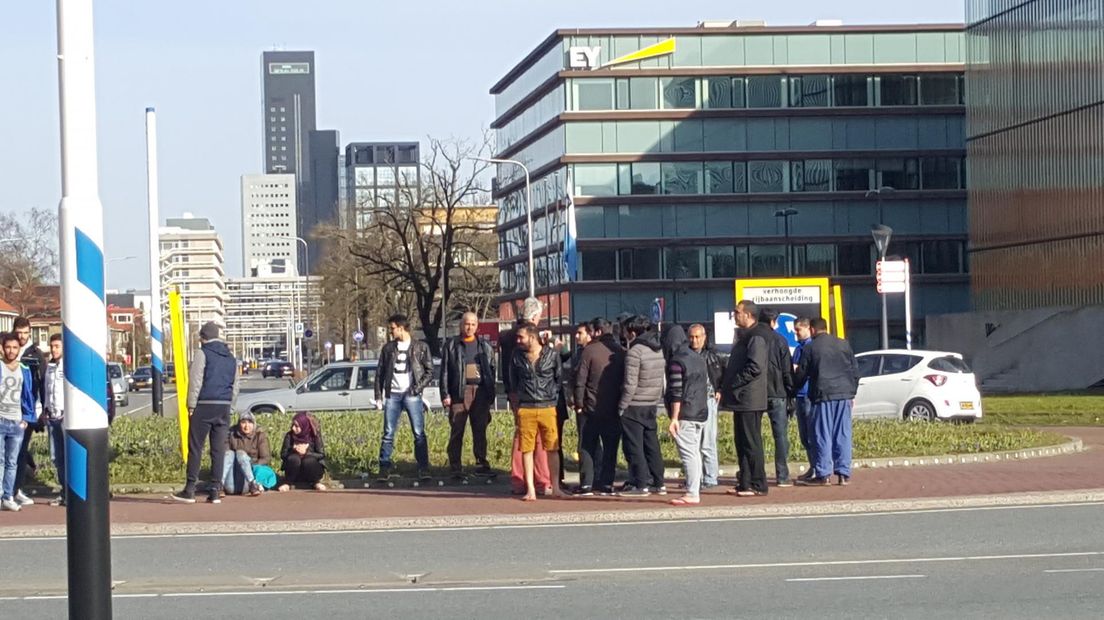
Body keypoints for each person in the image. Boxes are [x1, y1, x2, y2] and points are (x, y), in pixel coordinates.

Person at [172, 321, 240, 504]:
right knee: (218, 450)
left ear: (203, 337)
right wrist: (230, 406)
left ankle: (189, 489)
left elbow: (196, 381)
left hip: (204, 404)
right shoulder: (231, 357)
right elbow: (236, 385)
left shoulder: (202, 353)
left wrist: (191, 405)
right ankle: (215, 490)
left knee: (196, 447)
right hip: (223, 406)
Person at [793, 317, 859, 486]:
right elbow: (855, 371)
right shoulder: (844, 344)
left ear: (813, 330)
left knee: (822, 435)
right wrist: (851, 393)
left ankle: (823, 474)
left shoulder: (810, 348)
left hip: (823, 395)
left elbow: (801, 374)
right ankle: (844, 474)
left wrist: (792, 388)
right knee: (842, 434)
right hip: (844, 395)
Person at [500, 298, 551, 495]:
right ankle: (541, 479)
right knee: (538, 436)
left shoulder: (508, 336)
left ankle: (519, 479)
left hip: (514, 390)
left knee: (521, 435)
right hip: (533, 391)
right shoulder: (532, 336)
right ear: (535, 316)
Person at [720, 300, 771, 497]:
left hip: (750, 398)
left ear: (748, 315)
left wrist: (735, 382)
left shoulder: (756, 337)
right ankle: (745, 482)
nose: (734, 315)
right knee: (741, 442)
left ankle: (758, 483)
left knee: (751, 442)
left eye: (737, 312)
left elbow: (755, 367)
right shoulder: (745, 336)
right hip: (741, 399)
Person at [508, 324, 564, 501]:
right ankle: (530, 489)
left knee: (552, 448)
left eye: (521, 337)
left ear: (532, 337)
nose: (518, 341)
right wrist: (517, 405)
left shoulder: (552, 354)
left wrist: (552, 398)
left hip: (547, 406)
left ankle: (555, 486)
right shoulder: (517, 356)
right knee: (526, 449)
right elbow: (512, 381)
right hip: (526, 407)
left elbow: (558, 378)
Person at [374, 314, 433, 479]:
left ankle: (423, 467)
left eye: (392, 328)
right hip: (392, 395)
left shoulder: (420, 347)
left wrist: (416, 388)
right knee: (388, 432)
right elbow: (380, 373)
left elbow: (429, 371)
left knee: (419, 432)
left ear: (401, 328)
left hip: (412, 395)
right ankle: (384, 467)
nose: (391, 332)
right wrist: (379, 396)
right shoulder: (388, 349)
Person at [440, 312, 496, 477]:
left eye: (473, 324)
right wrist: (445, 394)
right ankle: (455, 466)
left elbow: (492, 369)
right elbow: (444, 372)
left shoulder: (484, 346)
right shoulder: (451, 345)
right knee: (457, 429)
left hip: (480, 392)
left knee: (480, 429)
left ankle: (481, 463)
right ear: (461, 325)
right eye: (466, 324)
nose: (469, 327)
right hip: (459, 392)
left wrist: (490, 392)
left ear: (477, 326)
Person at [573, 317, 624, 496]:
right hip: (614, 408)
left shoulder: (589, 351)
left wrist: (579, 404)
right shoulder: (621, 351)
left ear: (597, 332)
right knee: (611, 448)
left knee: (587, 445)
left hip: (591, 408)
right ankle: (606, 483)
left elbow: (580, 380)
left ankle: (587, 483)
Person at [616, 316, 666, 497]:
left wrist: (622, 406)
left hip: (634, 404)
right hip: (651, 403)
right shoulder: (658, 349)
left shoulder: (635, 351)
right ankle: (659, 482)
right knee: (652, 444)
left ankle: (641, 483)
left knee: (634, 446)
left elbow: (630, 383)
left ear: (633, 332)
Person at [663, 325, 710, 506]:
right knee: (695, 453)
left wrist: (674, 417)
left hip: (686, 413)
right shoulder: (698, 358)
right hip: (700, 411)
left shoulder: (677, 361)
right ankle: (694, 489)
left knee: (688, 454)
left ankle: (692, 492)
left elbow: (676, 391)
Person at [11, 317, 45, 508]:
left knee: (20, 451)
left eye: (25, 333)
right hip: (7, 409)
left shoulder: (36, 354)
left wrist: (41, 410)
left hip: (27, 409)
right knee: (6, 451)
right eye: (19, 332)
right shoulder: (7, 349)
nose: (22, 337)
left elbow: (41, 383)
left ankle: (16, 489)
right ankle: (8, 490)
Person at [0, 332, 36, 512]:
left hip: (16, 422)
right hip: (0, 419)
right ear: (2, 348)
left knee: (12, 461)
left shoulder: (24, 369)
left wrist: (26, 419)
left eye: (14, 347)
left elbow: (29, 394)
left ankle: (8, 496)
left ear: (19, 349)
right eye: (8, 347)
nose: (11, 350)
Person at [759, 309, 795, 487]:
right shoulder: (780, 340)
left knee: (753, 435)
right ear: (773, 322)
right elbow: (787, 369)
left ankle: (755, 473)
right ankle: (782, 475)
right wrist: (791, 392)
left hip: (756, 393)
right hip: (778, 392)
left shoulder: (752, 337)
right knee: (780, 435)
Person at [688, 324, 724, 488]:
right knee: (692, 443)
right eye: (692, 337)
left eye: (698, 337)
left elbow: (722, 374)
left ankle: (710, 477)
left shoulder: (712, 356)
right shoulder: (684, 355)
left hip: (709, 399)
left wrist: (720, 389)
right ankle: (696, 478)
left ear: (704, 337)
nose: (695, 340)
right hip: (691, 401)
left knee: (708, 441)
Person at [222, 411, 272, 496]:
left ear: (254, 424)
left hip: (247, 475)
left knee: (241, 454)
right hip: (231, 475)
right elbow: (223, 455)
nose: (246, 426)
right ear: (239, 423)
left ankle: (252, 484)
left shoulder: (260, 435)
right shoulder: (231, 433)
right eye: (243, 422)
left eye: (249, 422)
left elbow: (266, 458)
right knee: (229, 453)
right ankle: (219, 485)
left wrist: (251, 465)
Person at [791, 317, 816, 481]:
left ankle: (816, 467)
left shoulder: (810, 347)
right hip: (799, 393)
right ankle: (812, 465)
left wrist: (797, 369)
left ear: (808, 329)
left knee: (811, 432)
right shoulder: (799, 348)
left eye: (799, 330)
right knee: (804, 434)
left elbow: (807, 369)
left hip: (807, 393)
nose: (797, 334)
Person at [43, 334, 66, 506]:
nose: (54, 349)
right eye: (52, 346)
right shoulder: (50, 367)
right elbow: (47, 390)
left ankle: (70, 492)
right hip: (52, 416)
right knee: (55, 456)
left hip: (65, 416)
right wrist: (44, 409)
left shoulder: (68, 367)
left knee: (67, 455)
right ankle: (63, 490)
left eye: (57, 346)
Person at [278, 412, 327, 491]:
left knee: (308, 461)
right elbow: (283, 454)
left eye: (297, 426)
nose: (293, 428)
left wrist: (306, 452)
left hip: (311, 469)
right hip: (294, 471)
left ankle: (315, 482)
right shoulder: (289, 436)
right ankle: (288, 483)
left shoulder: (314, 435)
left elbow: (321, 454)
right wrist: (293, 449)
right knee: (294, 458)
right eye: (293, 425)